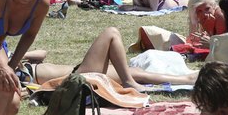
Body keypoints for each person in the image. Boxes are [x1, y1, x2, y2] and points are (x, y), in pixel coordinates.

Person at [25, 26, 196, 90]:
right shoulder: (12, 77)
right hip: (77, 78)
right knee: (111, 33)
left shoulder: (13, 61)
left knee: (134, 72)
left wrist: (20, 56)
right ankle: (187, 80)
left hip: (79, 72)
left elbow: (42, 53)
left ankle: (186, 79)